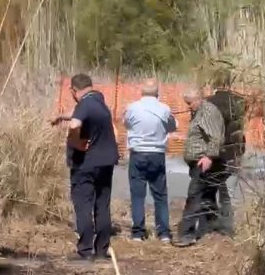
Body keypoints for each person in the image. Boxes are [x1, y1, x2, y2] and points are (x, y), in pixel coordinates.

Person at [51, 74, 119, 262]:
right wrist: (61, 116)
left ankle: (86, 250)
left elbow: (75, 124)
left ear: (73, 90)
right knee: (102, 205)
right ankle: (101, 250)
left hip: (86, 164)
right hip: (106, 162)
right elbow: (80, 113)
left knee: (83, 205)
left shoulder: (84, 104)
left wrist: (76, 142)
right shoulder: (99, 101)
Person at [123, 79, 177, 243]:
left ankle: (138, 232)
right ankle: (164, 232)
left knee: (137, 195)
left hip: (138, 153)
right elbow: (172, 127)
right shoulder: (164, 109)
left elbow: (127, 124)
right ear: (157, 93)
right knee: (160, 195)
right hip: (157, 154)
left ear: (142, 91)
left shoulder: (133, 107)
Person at [173, 87, 225, 248]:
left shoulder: (207, 112)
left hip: (204, 162)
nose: (188, 106)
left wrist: (209, 156)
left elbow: (215, 137)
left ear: (198, 99)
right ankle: (211, 228)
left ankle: (187, 234)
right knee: (206, 197)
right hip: (198, 162)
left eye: (189, 103)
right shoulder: (199, 112)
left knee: (194, 196)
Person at [202, 68, 247, 237]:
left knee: (209, 187)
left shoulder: (208, 102)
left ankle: (210, 222)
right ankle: (227, 226)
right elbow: (239, 127)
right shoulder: (239, 101)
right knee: (228, 191)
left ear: (214, 82)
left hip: (213, 151)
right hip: (233, 151)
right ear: (229, 82)